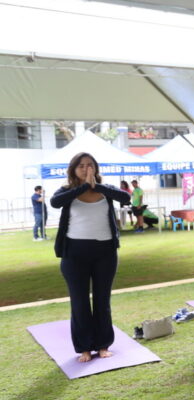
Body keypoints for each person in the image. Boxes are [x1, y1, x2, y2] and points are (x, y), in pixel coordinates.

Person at [50, 153, 132, 363]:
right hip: (74, 253)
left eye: (90, 165)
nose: (86, 169)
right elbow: (55, 202)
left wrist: (96, 186)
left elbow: (125, 198)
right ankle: (85, 347)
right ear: (73, 169)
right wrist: (84, 186)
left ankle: (103, 344)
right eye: (81, 166)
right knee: (79, 302)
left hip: (105, 252)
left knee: (102, 300)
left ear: (95, 168)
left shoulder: (106, 190)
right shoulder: (67, 191)